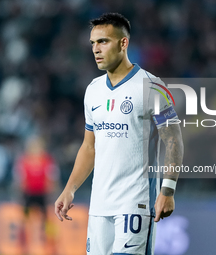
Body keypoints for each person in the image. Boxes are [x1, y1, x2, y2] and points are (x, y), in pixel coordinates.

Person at [54, 13, 184, 255]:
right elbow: (89, 147)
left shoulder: (152, 87)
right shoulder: (93, 90)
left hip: (135, 202)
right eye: (93, 43)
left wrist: (168, 190)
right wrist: (69, 189)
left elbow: (173, 139)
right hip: (100, 206)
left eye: (103, 41)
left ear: (123, 43)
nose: (96, 49)